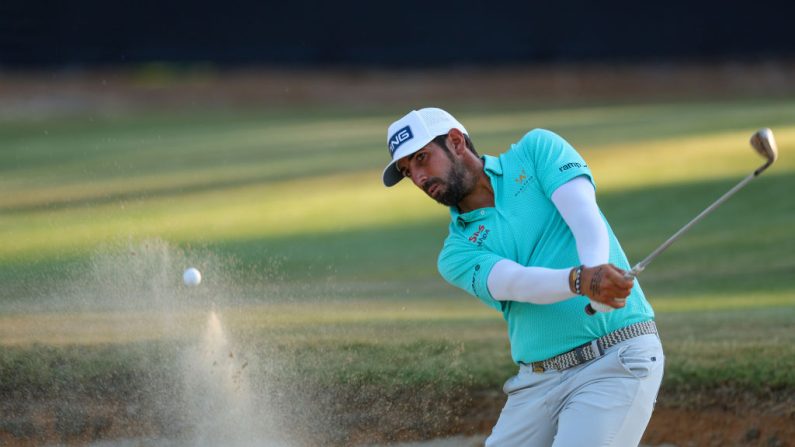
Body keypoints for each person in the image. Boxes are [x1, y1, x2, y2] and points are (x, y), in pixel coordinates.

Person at [381, 108, 664, 446]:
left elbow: (583, 214)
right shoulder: (455, 252)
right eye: (407, 170)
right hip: (537, 382)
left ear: (456, 141)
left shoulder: (536, 151)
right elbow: (515, 282)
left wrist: (596, 271)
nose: (418, 177)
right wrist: (581, 281)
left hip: (615, 358)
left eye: (422, 158)